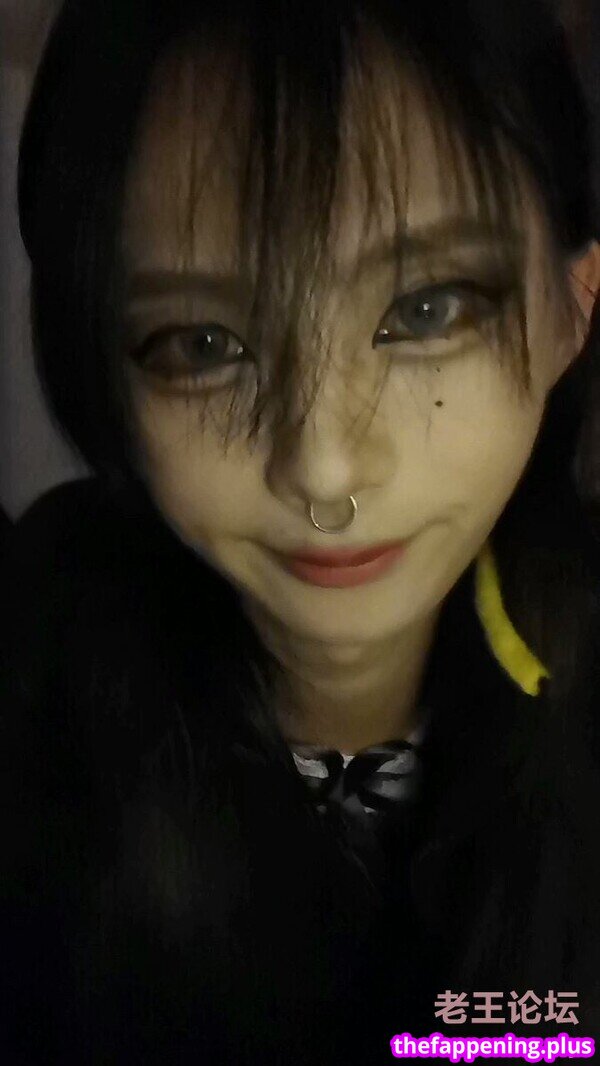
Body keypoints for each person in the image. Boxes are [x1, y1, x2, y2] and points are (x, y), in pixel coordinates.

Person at [4, 0, 600, 1061]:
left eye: (425, 310)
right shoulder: (31, 688)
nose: (324, 468)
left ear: (573, 307)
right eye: (204, 344)